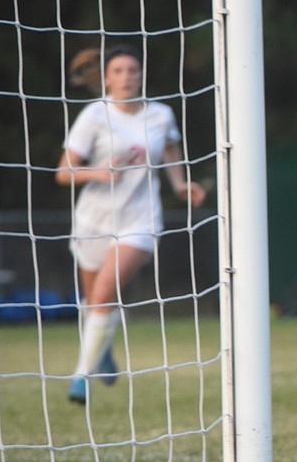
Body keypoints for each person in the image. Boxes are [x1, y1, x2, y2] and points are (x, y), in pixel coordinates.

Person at [56, 45, 206, 404]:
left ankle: (81, 377)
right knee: (93, 301)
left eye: (133, 70)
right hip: (93, 219)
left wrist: (181, 184)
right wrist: (97, 172)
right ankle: (102, 347)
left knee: (105, 293)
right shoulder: (94, 115)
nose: (126, 77)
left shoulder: (161, 115)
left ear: (141, 75)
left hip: (140, 218)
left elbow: (171, 151)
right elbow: (64, 171)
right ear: (106, 78)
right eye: (119, 71)